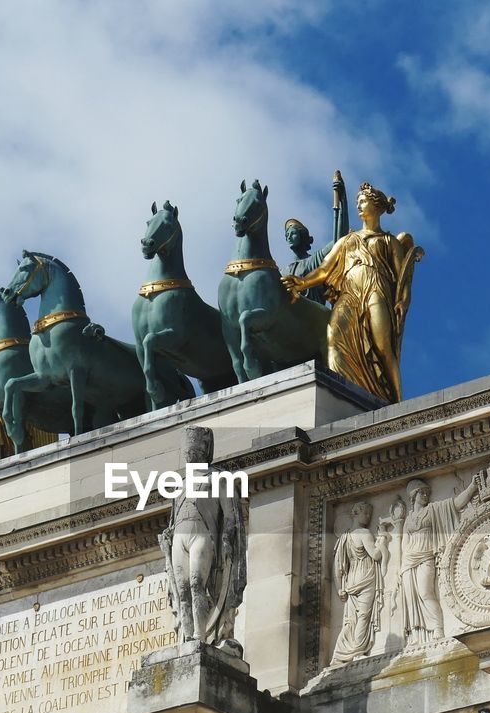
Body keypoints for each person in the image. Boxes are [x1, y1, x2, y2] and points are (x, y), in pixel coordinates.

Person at [282, 182, 423, 404]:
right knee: (333, 338)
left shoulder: (388, 242)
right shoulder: (347, 240)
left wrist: (403, 301)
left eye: (363, 201)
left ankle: (396, 401)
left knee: (383, 346)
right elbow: (324, 269)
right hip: (349, 293)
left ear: (376, 206)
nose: (359, 206)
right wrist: (301, 283)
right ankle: (342, 400)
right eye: (357, 202)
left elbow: (402, 278)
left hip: (376, 290)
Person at [160, 427, 247, 655]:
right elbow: (173, 518)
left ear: (204, 450)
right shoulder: (180, 484)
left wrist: (227, 538)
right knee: (182, 590)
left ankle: (201, 634)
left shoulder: (218, 478)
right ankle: (187, 637)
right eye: (187, 450)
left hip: (204, 536)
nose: (190, 453)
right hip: (180, 538)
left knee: (197, 583)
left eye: (195, 449)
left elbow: (230, 514)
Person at [397, 475, 478, 644]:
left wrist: (472, 487)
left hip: (426, 556)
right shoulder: (409, 519)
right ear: (413, 496)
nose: (426, 495)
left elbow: (456, 504)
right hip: (409, 560)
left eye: (427, 492)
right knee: (412, 599)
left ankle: (438, 628)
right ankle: (416, 634)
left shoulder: (433, 509)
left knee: (426, 592)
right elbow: (404, 543)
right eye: (422, 493)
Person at [330, 501, 388, 666]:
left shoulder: (344, 538)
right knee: (362, 617)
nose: (369, 517)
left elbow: (338, 567)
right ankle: (356, 652)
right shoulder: (364, 533)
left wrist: (340, 587)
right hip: (366, 578)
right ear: (357, 513)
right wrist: (382, 539)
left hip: (351, 581)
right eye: (367, 513)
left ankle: (339, 654)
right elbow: (376, 555)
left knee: (350, 619)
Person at [283, 170, 350, 304]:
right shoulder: (283, 271)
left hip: (312, 317)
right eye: (287, 235)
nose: (289, 237)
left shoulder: (314, 260)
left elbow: (340, 239)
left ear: (303, 236)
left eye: (293, 233)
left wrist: (342, 200)